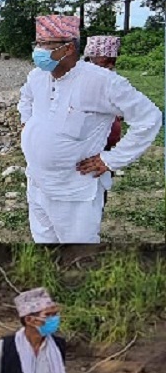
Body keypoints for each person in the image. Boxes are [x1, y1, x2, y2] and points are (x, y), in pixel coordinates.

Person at [18, 15, 162, 244]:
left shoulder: (103, 81)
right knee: (44, 242)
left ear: (69, 48)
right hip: (37, 184)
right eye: (38, 43)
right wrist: (27, 125)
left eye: (48, 45)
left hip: (74, 191)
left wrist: (111, 160)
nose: (40, 50)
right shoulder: (37, 76)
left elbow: (149, 118)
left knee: (78, 253)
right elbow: (25, 97)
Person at [82, 35, 123, 152]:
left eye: (113, 61)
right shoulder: (81, 78)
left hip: (106, 139)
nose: (111, 65)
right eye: (105, 61)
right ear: (91, 57)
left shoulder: (112, 78)